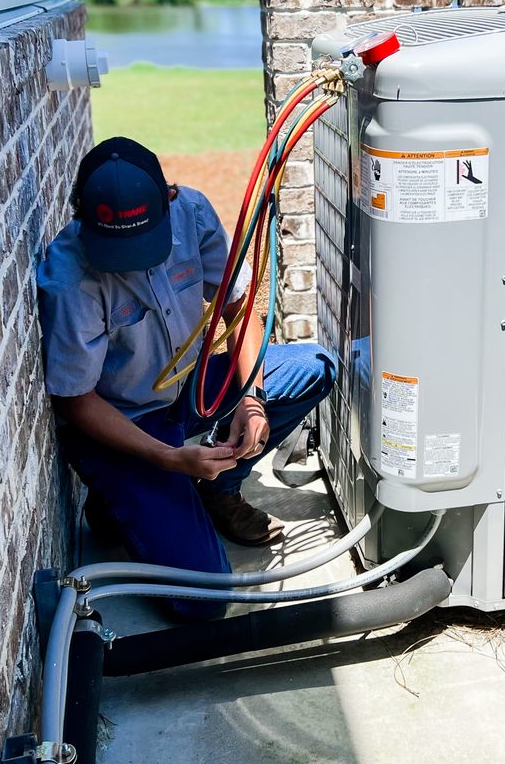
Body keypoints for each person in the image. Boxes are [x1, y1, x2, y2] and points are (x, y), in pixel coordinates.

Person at [36, 136, 335, 613]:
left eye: (145, 243)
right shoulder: (70, 279)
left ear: (168, 198)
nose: (133, 263)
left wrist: (251, 402)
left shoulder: (191, 213)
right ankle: (123, 499)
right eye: (118, 251)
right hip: (126, 427)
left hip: (190, 391)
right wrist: (168, 458)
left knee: (312, 367)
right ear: (83, 220)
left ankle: (217, 486)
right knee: (204, 602)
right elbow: (75, 400)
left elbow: (238, 307)